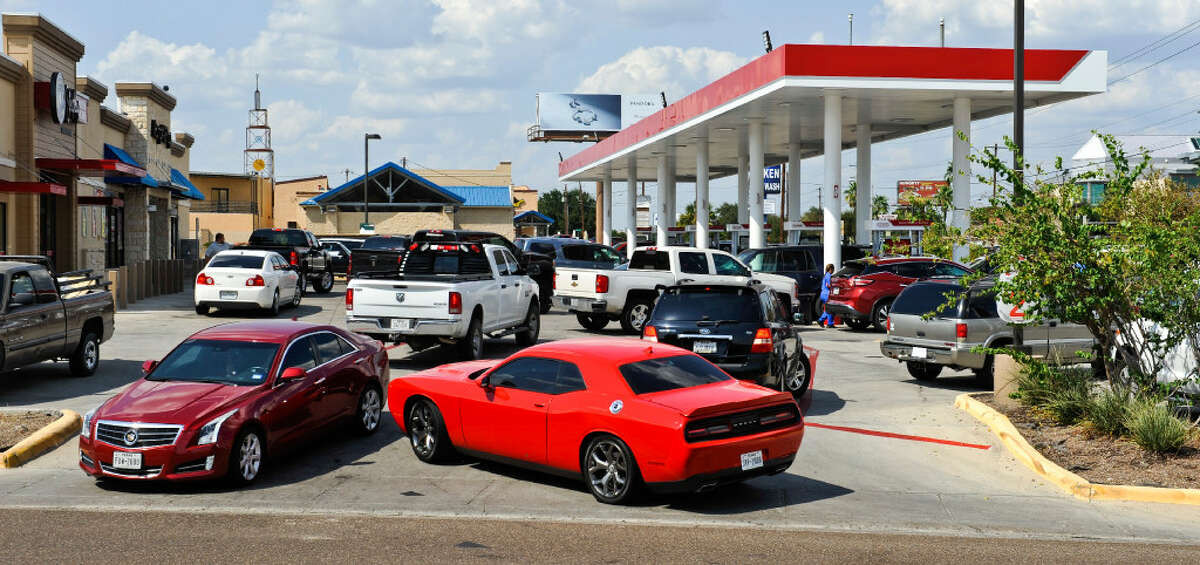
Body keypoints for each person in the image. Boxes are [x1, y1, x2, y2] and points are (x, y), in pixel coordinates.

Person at [816, 263, 836, 328]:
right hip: (827, 294)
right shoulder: (828, 275)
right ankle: (827, 322)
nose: (833, 270)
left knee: (828, 309)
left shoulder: (825, 275)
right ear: (830, 269)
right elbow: (829, 285)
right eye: (833, 269)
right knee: (830, 309)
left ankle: (827, 322)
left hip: (823, 294)